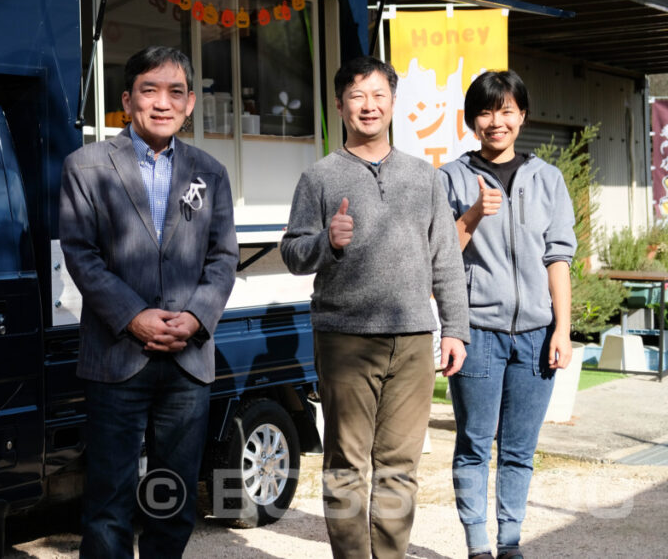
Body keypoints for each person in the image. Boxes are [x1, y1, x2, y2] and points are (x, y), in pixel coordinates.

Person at [280, 54, 469, 559]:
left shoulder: (425, 177)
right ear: (340, 106)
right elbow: (293, 252)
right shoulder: (318, 178)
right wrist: (326, 241)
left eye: (379, 95)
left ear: (392, 102)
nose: (369, 106)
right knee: (346, 466)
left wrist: (455, 329)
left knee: (400, 468)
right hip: (344, 337)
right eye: (357, 97)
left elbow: (445, 258)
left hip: (411, 338)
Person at [59, 46, 238, 558]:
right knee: (109, 502)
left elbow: (223, 257)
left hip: (188, 359)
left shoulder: (210, 172)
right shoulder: (86, 166)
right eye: (149, 90)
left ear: (188, 106)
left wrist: (197, 317)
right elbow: (81, 254)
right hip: (117, 356)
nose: (163, 103)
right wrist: (134, 317)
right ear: (126, 100)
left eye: (176, 92)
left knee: (173, 500)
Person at [439, 70, 576, 559]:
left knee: (519, 449)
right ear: (472, 119)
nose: (496, 121)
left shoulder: (548, 179)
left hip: (538, 333)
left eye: (507, 110)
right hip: (477, 330)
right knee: (475, 443)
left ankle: (511, 542)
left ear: (522, 116)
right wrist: (473, 214)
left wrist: (562, 327)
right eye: (486, 111)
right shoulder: (450, 177)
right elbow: (440, 253)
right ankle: (478, 546)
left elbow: (557, 258)